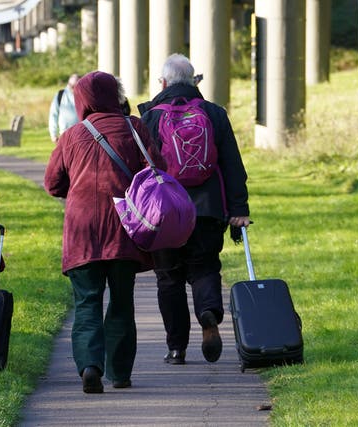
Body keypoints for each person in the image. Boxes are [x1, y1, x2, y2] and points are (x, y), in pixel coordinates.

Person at [44, 71, 165, 393]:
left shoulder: (71, 135)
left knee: (87, 302)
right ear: (116, 95)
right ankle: (120, 373)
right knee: (122, 303)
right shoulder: (134, 128)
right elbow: (158, 169)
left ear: (81, 100)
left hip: (82, 231)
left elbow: (52, 183)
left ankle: (89, 366)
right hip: (124, 227)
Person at [138, 53, 251, 365]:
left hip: (165, 213)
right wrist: (239, 208)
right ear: (194, 81)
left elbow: (141, 170)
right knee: (204, 267)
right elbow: (232, 164)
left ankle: (177, 348)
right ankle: (208, 313)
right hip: (207, 208)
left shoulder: (150, 117)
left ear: (162, 82)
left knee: (169, 278)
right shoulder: (213, 114)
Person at [48, 73, 79, 143]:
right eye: (72, 86)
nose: (74, 88)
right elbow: (53, 115)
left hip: (81, 135)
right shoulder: (60, 95)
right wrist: (53, 134)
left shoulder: (84, 95)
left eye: (76, 86)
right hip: (64, 135)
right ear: (68, 84)